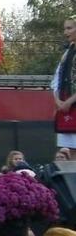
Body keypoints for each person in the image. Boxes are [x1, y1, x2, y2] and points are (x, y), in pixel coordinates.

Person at [51, 15, 76, 151]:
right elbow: (56, 78)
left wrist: (69, 101)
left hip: (71, 102)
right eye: (65, 28)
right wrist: (58, 100)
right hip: (65, 104)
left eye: (69, 28)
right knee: (67, 150)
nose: (65, 32)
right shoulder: (67, 53)